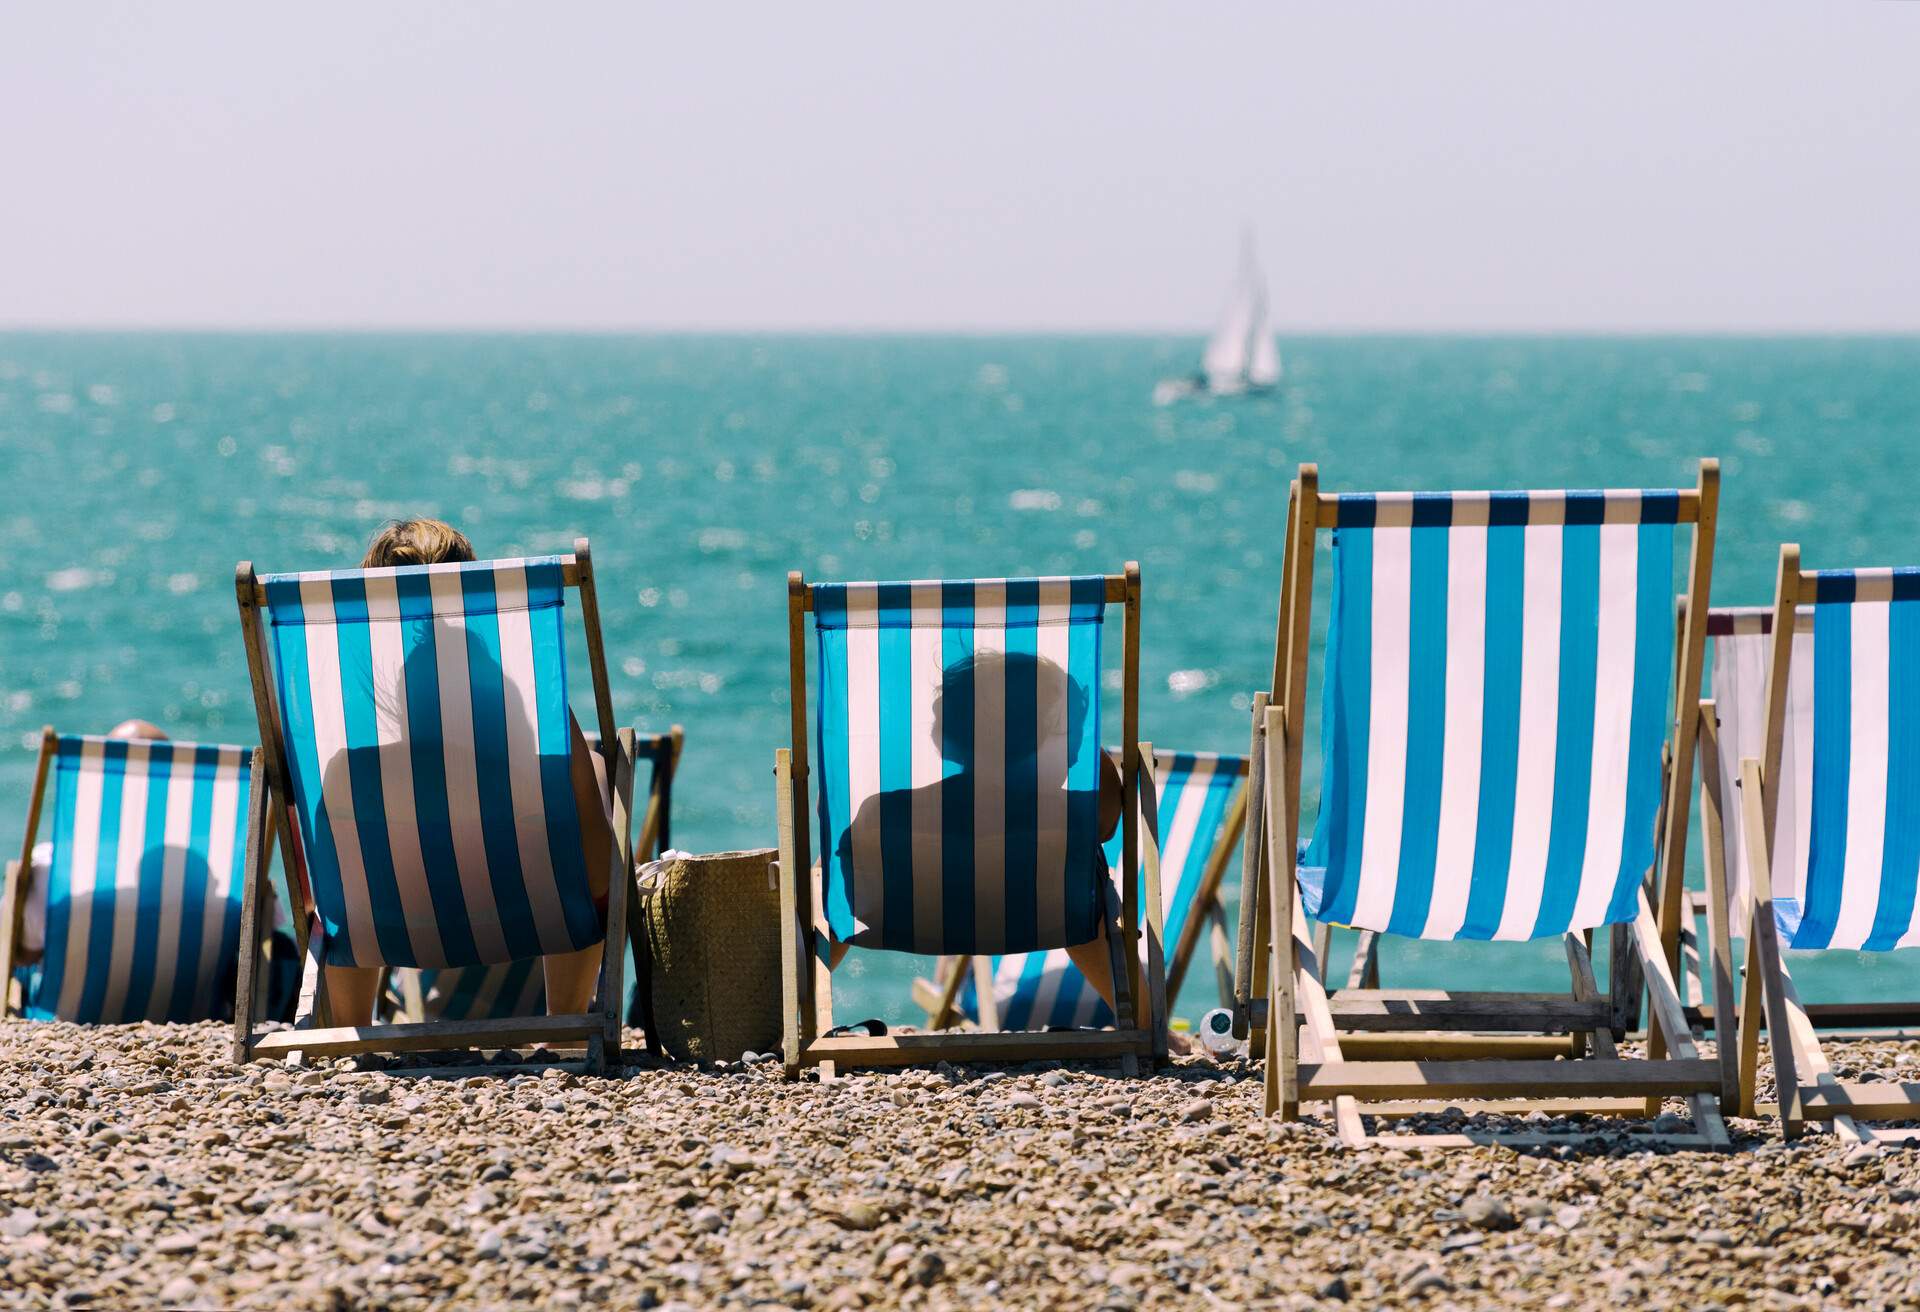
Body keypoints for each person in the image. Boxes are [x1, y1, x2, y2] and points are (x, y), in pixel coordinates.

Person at [317, 518, 617, 1026]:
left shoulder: (353, 765)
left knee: (346, 781)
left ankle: (351, 1029)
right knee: (588, 774)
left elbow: (324, 891)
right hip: (530, 917)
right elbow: (599, 871)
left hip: (388, 925)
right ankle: (564, 1021)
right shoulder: (538, 752)